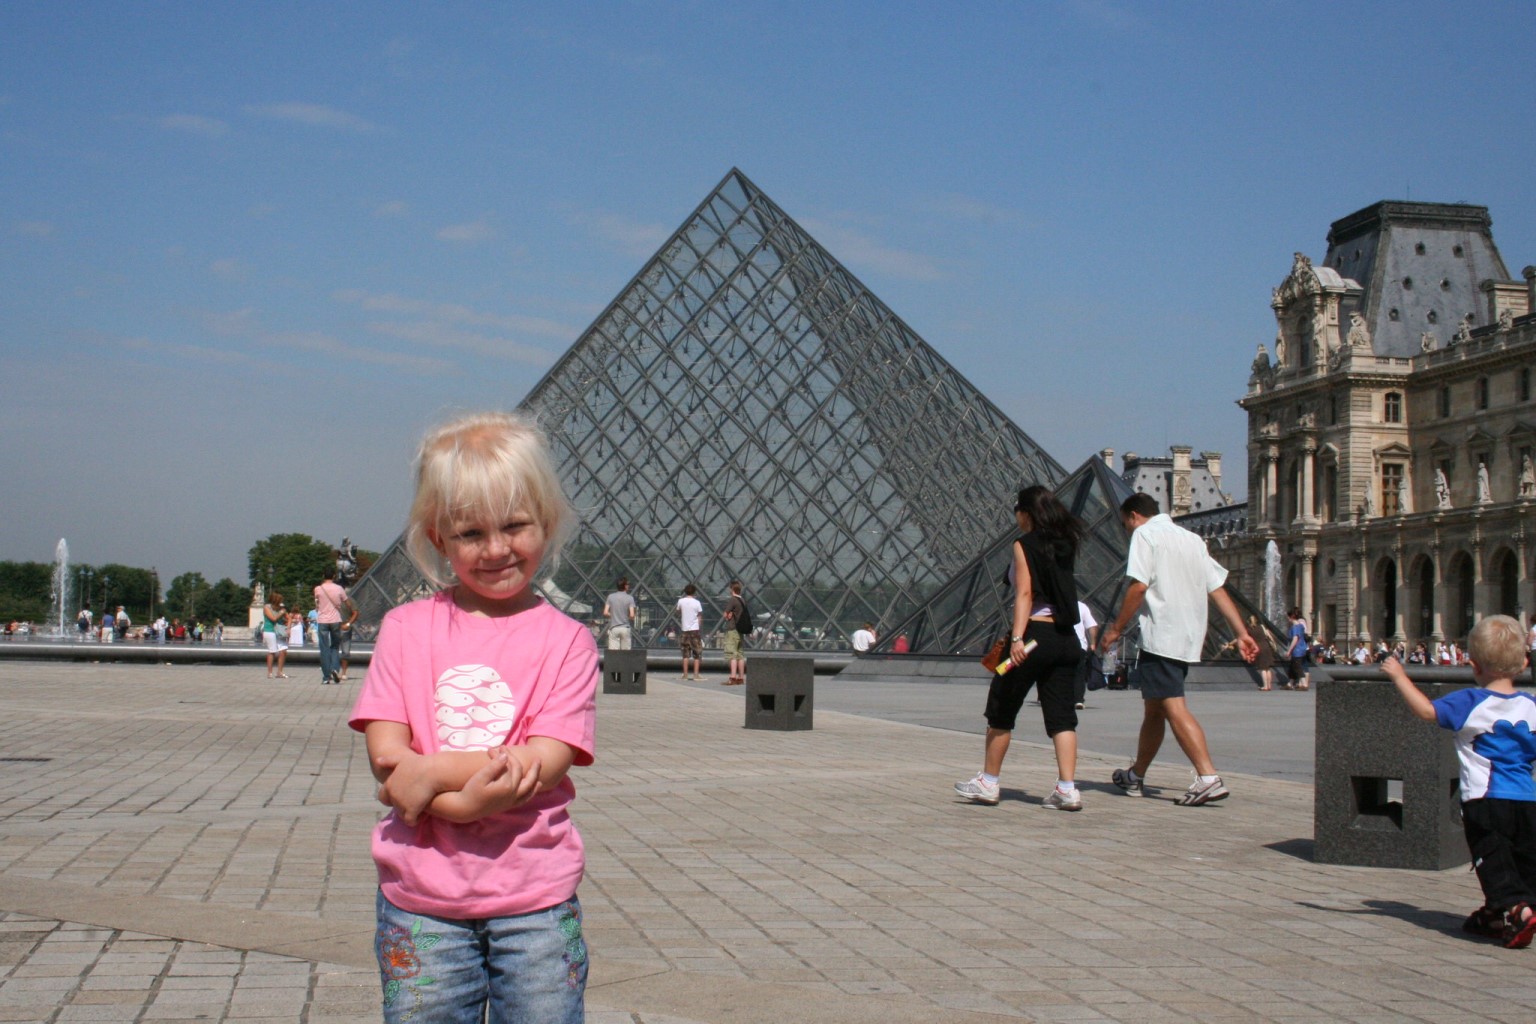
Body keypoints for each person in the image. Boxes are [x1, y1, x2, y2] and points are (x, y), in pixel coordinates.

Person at [349, 410, 597, 1023]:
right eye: (469, 534)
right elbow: (386, 755)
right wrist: (452, 792)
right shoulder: (405, 630)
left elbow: (542, 762)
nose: (496, 549)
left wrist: (432, 780)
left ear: (548, 522)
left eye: (515, 525)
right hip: (420, 900)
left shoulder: (569, 642)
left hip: (535, 901)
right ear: (438, 537)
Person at [1381, 617, 1536, 949]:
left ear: (1473, 664)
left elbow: (1426, 711)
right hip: (1527, 799)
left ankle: (1518, 910)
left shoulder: (1470, 701)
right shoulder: (1531, 706)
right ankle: (1497, 913)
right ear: (1524, 663)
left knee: (1492, 858)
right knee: (1522, 858)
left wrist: (1399, 676)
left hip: (1485, 800)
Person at [1098, 493, 1258, 806]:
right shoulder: (1192, 539)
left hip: (1162, 634)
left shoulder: (1145, 534)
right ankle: (1136, 775)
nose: (1126, 531)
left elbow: (1138, 586)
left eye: (1124, 524)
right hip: (1187, 635)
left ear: (1133, 516)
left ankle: (1208, 777)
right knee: (1154, 708)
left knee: (1172, 706)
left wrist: (1116, 629)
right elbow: (1217, 589)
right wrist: (1242, 633)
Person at [955, 485, 1087, 811]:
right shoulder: (1066, 541)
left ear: (1026, 512)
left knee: (1001, 707)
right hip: (1066, 639)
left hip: (1032, 639)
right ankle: (1067, 788)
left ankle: (988, 782)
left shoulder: (1023, 544)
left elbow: (1025, 594)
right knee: (1062, 718)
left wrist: (1016, 638)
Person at [314, 566, 358, 685]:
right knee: (335, 646)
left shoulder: (318, 589)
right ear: (333, 576)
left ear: (323, 575)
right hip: (335, 620)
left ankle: (326, 677)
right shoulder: (339, 588)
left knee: (324, 649)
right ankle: (335, 669)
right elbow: (347, 603)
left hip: (322, 620)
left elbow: (317, 604)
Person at [1072, 600, 1100, 709]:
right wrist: (1092, 643)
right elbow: (1092, 626)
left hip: (1059, 644)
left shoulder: (1054, 603)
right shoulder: (1081, 606)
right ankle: (1078, 700)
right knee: (1079, 673)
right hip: (1079, 645)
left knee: (1059, 672)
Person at [722, 580, 750, 686]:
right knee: (740, 655)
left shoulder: (733, 600)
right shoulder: (743, 600)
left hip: (733, 629)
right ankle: (741, 678)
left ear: (731, 589)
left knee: (732, 654)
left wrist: (728, 614)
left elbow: (725, 614)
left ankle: (732, 677)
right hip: (741, 630)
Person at [675, 583, 703, 681]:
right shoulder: (697, 602)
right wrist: (699, 625)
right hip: (694, 630)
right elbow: (699, 616)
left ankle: (685, 674)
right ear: (694, 592)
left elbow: (678, 611)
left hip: (684, 629)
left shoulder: (680, 601)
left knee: (685, 653)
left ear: (685, 591)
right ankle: (696, 674)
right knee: (697, 653)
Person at [602, 577, 636, 650]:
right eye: (628, 584)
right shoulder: (630, 598)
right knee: (626, 653)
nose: (628, 586)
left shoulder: (610, 597)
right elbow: (632, 615)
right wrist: (627, 618)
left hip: (614, 627)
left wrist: (613, 615)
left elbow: (605, 612)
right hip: (625, 628)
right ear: (625, 586)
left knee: (613, 653)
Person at [263, 592, 290, 678]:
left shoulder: (280, 608)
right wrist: (281, 613)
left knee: (283, 651)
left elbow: (289, 618)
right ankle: (270, 672)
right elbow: (273, 618)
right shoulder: (267, 607)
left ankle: (280, 672)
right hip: (270, 630)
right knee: (272, 651)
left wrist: (288, 628)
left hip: (279, 631)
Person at [1283, 608, 1310, 691]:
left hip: (1297, 650)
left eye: (1288, 617)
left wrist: (1289, 651)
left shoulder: (1295, 627)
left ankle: (1304, 684)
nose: (1287, 619)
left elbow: (1295, 639)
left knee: (1298, 667)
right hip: (1302, 648)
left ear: (1292, 616)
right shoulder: (1301, 625)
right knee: (1293, 666)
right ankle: (1290, 684)